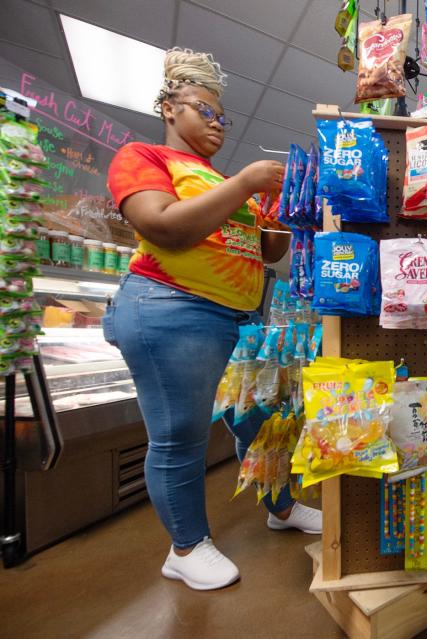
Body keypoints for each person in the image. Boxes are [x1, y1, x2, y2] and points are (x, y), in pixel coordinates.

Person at [103, 48, 322, 591]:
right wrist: (246, 184)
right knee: (180, 435)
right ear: (169, 108)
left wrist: (283, 210)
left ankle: (280, 505)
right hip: (170, 309)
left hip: (241, 321)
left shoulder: (223, 182)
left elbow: (268, 255)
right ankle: (185, 546)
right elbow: (166, 228)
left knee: (259, 423)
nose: (217, 123)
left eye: (222, 115)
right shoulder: (143, 157)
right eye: (204, 109)